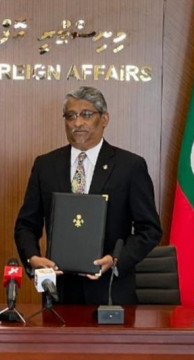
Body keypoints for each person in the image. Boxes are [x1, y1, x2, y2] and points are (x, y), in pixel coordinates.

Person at [14, 86, 162, 305]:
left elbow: (149, 229)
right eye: (71, 116)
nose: (78, 123)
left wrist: (116, 259)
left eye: (86, 114)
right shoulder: (46, 165)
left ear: (104, 119)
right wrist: (32, 258)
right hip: (60, 292)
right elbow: (26, 225)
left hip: (111, 293)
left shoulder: (130, 166)